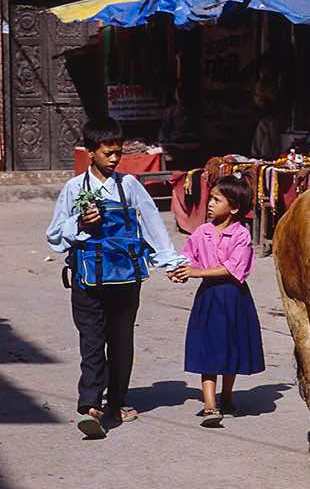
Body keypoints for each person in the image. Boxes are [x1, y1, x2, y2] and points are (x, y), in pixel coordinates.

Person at [47, 116, 181, 439]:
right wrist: (79, 223)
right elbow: (54, 236)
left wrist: (170, 261)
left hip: (124, 280)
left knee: (121, 343)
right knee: (91, 341)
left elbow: (152, 225)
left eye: (118, 152)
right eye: (108, 152)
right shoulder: (74, 189)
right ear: (90, 152)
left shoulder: (129, 186)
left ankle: (117, 400)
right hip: (86, 280)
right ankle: (90, 406)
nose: (115, 158)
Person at [168, 175, 264, 427]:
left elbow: (233, 268)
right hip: (208, 297)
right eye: (210, 198)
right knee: (208, 349)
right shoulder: (202, 232)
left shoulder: (241, 235)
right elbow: (188, 257)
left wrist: (195, 272)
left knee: (230, 347)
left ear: (234, 208)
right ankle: (210, 405)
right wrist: (178, 269)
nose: (209, 204)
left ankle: (228, 396)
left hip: (233, 297)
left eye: (216, 200)